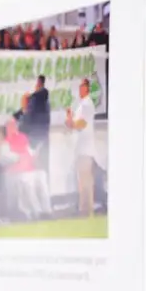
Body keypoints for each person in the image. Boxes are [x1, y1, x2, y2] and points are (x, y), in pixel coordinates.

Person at [5, 112, 52, 219]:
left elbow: (30, 152)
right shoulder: (6, 142)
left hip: (30, 169)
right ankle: (37, 212)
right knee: (27, 181)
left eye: (14, 125)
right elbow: (10, 159)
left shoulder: (23, 137)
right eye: (10, 125)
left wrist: (36, 155)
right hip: (19, 171)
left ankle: (47, 210)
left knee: (42, 176)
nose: (12, 127)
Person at [65, 78, 97, 216]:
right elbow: (73, 125)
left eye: (81, 87)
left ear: (86, 88)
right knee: (82, 181)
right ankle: (84, 209)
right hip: (80, 148)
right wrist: (69, 118)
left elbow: (81, 124)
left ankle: (87, 209)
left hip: (85, 148)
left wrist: (71, 122)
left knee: (85, 181)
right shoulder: (81, 105)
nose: (79, 89)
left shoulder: (87, 105)